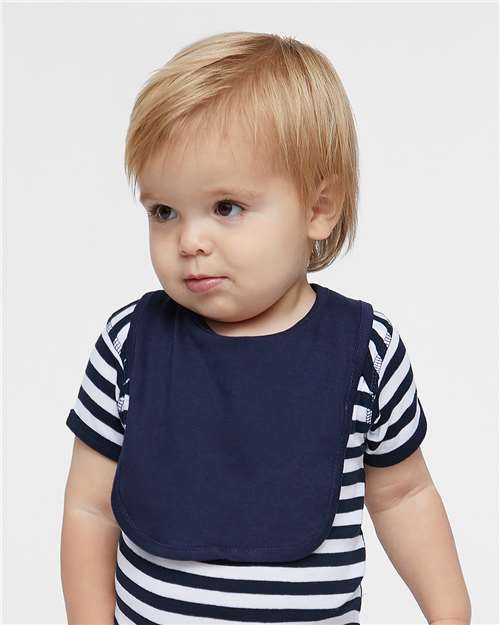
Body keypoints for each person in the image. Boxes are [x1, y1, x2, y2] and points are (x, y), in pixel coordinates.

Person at [60, 31, 471, 625]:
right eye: (164, 211)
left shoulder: (365, 353)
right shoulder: (129, 346)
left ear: (317, 209)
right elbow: (90, 509)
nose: (189, 240)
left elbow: (404, 495)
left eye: (226, 207)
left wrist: (450, 612)